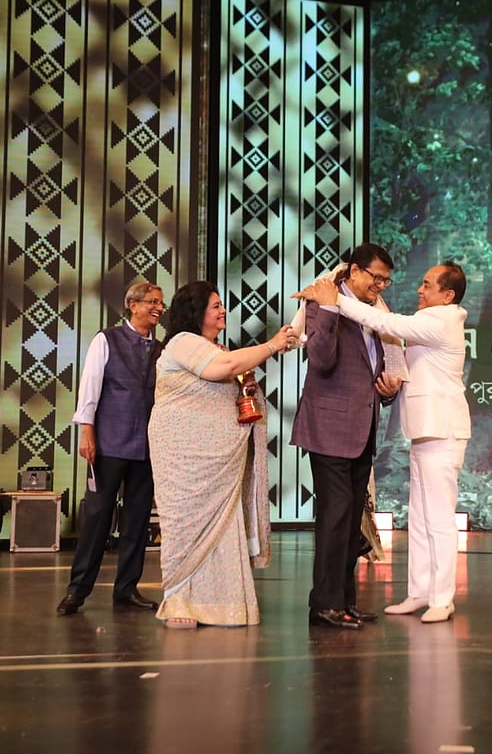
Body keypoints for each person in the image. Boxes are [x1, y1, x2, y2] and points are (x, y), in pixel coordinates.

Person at [297, 262, 470, 623]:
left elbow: (384, 321)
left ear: (448, 295)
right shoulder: (431, 319)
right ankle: (419, 591)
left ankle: (442, 598)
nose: (419, 290)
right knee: (420, 516)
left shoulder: (443, 319)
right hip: (424, 430)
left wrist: (334, 298)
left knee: (439, 517)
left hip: (443, 429)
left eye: (427, 285)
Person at [148, 281, 295, 629]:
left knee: (224, 525)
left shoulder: (219, 349)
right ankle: (179, 600)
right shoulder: (183, 343)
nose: (223, 311)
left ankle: (222, 603)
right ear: (196, 311)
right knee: (185, 523)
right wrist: (272, 345)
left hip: (220, 459)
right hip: (184, 454)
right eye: (215, 306)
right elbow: (219, 369)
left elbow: (229, 373)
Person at [291, 244, 404, 630]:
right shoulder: (323, 301)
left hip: (362, 427)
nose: (380, 286)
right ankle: (324, 604)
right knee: (335, 516)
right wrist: (330, 309)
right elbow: (321, 360)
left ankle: (344, 601)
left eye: (386, 280)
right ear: (354, 271)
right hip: (328, 428)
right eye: (376, 277)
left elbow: (375, 367)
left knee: (351, 518)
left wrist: (389, 391)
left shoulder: (377, 311)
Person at [56, 282, 166, 616]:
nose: (158, 308)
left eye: (161, 303)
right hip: (110, 442)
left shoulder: (162, 349)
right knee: (97, 516)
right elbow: (90, 386)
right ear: (133, 305)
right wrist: (86, 431)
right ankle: (77, 590)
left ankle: (127, 589)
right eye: (152, 302)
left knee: (137, 521)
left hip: (146, 446)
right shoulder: (107, 339)